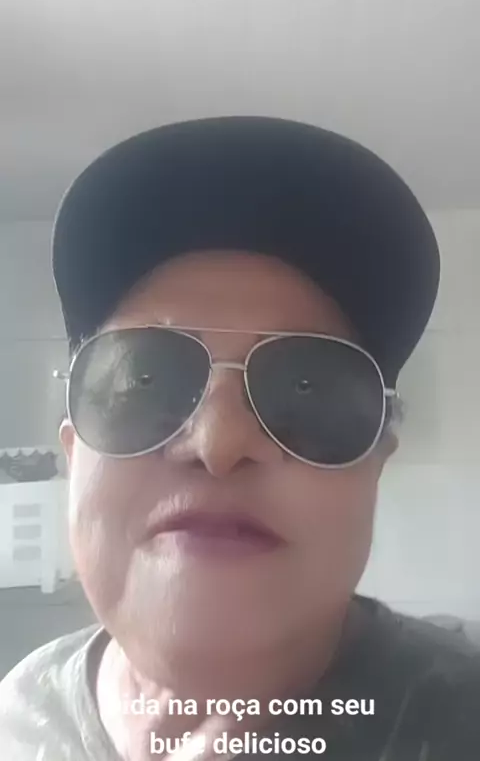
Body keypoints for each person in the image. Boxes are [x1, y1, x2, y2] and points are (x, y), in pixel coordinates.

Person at [0, 116, 478, 760]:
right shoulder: (16, 718)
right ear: (73, 452)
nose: (219, 443)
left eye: (308, 387)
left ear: (374, 468)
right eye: (143, 378)